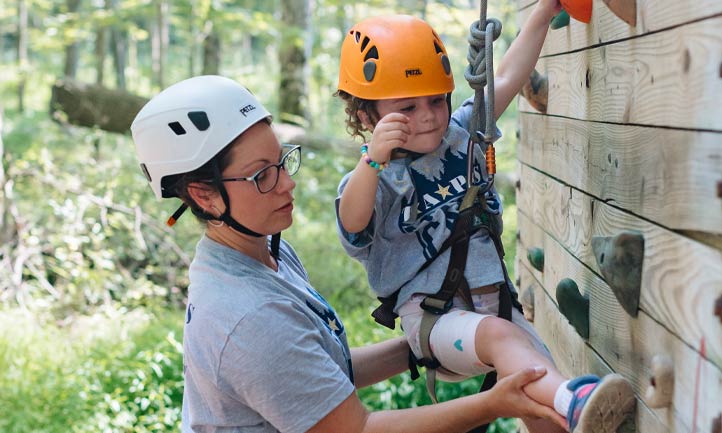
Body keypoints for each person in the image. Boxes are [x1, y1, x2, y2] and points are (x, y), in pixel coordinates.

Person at [130, 75, 568, 433]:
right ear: (204, 196)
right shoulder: (246, 316)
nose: (287, 183)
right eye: (262, 175)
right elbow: (356, 430)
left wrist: (427, 341)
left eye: (282, 161)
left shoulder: (260, 255)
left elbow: (321, 375)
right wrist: (492, 404)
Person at [333, 6, 636, 433]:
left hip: (498, 308)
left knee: (539, 393)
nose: (428, 116)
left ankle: (565, 408)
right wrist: (372, 161)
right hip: (436, 320)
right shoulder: (373, 180)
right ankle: (573, 397)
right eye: (407, 107)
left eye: (436, 100)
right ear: (367, 116)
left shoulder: (463, 135)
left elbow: (509, 75)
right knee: (509, 344)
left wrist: (544, 12)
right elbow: (352, 221)